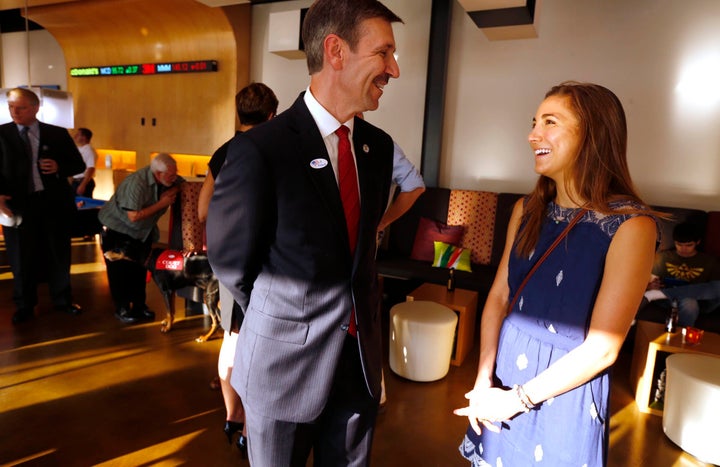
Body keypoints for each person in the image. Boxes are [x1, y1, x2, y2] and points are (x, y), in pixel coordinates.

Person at [206, 0, 402, 464]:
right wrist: (288, 316)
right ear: (336, 51)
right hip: (282, 368)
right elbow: (232, 263)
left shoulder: (377, 148)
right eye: (384, 53)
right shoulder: (260, 149)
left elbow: (361, 253)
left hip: (358, 367)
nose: (394, 69)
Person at [454, 82, 658, 466]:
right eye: (534, 123)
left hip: (564, 392)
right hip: (502, 377)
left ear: (593, 135)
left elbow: (603, 348)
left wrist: (517, 399)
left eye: (550, 122)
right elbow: (499, 297)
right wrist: (483, 378)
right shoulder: (527, 209)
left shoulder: (631, 225)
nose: (533, 135)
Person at [196, 82, 278, 453]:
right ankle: (255, 429)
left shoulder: (223, 153)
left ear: (238, 114)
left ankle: (233, 417)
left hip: (227, 261)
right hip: (268, 266)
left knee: (231, 342)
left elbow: (201, 211)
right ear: (273, 116)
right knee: (262, 349)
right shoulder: (277, 151)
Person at [0, 87, 86, 325]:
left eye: (21, 107)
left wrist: (59, 167)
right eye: (11, 107)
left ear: (35, 108)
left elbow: (77, 164)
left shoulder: (56, 134)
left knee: (58, 253)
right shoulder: (2, 134)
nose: (14, 112)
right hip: (18, 206)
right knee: (21, 257)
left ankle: (63, 300)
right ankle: (25, 305)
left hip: (52, 204)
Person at [98, 153, 184, 324]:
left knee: (140, 269)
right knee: (119, 271)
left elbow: (182, 184)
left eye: (175, 173)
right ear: (158, 174)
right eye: (171, 175)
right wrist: (162, 202)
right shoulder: (136, 184)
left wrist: (172, 190)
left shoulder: (169, 179)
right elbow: (134, 217)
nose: (174, 178)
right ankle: (122, 308)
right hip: (117, 229)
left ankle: (139, 306)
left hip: (142, 233)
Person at [643, 222, 720, 326]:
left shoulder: (709, 261)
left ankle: (677, 338)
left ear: (698, 242)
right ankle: (677, 338)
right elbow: (651, 280)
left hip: (696, 299)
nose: (683, 249)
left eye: (689, 245)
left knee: (692, 300)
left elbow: (714, 289)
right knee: (689, 303)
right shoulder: (663, 257)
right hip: (668, 299)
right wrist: (650, 286)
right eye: (679, 244)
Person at [70, 127, 97, 198]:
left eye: (78, 134)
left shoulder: (88, 150)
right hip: (76, 181)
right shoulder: (79, 149)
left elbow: (91, 168)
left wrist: (83, 185)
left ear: (84, 137)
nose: (75, 136)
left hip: (82, 181)